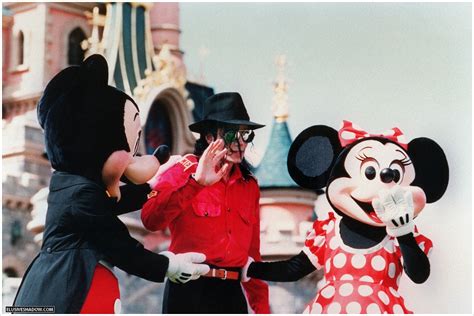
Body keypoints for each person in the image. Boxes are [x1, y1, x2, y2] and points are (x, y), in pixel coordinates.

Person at [13, 55, 209, 313]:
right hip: (67, 294)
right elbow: (119, 245)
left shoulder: (72, 187)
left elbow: (113, 202)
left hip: (53, 289)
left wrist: (158, 185)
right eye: (127, 149)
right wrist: (168, 266)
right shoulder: (81, 196)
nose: (132, 160)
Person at [141, 92, 270, 314]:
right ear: (210, 138)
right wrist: (196, 183)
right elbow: (150, 219)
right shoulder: (183, 170)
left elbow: (253, 254)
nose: (240, 143)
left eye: (245, 135)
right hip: (188, 289)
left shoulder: (249, 186)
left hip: (231, 294)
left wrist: (262, 308)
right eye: (231, 135)